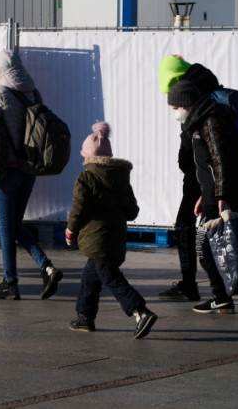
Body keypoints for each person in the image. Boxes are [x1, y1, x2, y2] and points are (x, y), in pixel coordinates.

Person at [167, 79, 238, 313]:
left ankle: (223, 296)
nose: (173, 113)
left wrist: (220, 195)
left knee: (204, 247)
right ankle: (227, 295)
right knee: (234, 245)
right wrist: (204, 194)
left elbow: (222, 160)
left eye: (174, 107)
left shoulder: (210, 121)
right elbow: (208, 167)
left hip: (221, 197)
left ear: (185, 104)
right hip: (214, 195)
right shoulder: (200, 121)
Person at [0, 49, 63, 300]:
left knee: (5, 227)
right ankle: (47, 267)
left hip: (7, 170)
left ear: (0, 70)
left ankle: (10, 282)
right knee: (14, 224)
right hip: (28, 170)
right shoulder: (33, 92)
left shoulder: (0, 93)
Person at [64, 122, 157, 339]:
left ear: (88, 157)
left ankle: (140, 311)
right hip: (115, 239)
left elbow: (78, 209)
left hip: (96, 240)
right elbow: (132, 211)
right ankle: (85, 317)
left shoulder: (86, 177)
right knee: (90, 277)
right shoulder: (121, 177)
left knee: (111, 278)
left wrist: (70, 230)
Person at [156, 54, 222, 301]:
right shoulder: (206, 89)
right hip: (203, 175)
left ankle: (198, 287)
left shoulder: (195, 100)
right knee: (213, 230)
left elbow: (198, 147)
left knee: (195, 233)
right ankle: (212, 289)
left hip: (202, 175)